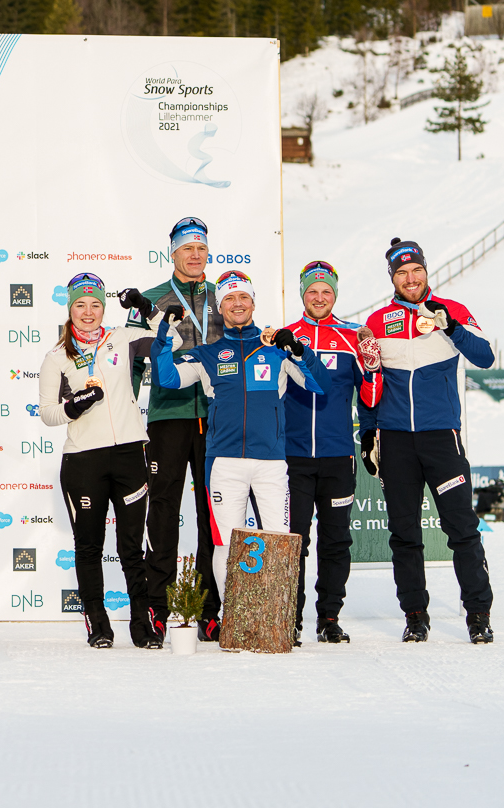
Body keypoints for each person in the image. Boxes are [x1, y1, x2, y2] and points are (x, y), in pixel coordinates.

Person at [150, 270, 330, 603]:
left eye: (243, 297)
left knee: (279, 540)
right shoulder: (208, 353)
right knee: (226, 544)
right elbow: (167, 378)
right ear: (220, 307)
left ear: (253, 303)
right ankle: (230, 616)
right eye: (230, 298)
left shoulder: (276, 349)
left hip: (271, 462)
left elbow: (320, 385)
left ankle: (276, 618)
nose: (237, 304)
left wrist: (299, 351)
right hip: (224, 463)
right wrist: (165, 331)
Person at [362, 238, 495, 644]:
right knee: (404, 533)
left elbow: (485, 356)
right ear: (393, 278)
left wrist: (450, 327)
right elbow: (371, 380)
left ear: (425, 271)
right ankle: (415, 615)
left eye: (416, 270)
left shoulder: (451, 310)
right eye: (402, 273)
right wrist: (369, 433)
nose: (410, 278)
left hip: (442, 437)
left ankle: (478, 614)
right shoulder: (377, 321)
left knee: (461, 528)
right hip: (397, 440)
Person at [38, 274, 162, 649]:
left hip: (128, 454)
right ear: (70, 310)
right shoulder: (56, 358)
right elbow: (47, 413)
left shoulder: (122, 340)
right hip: (83, 461)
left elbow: (170, 336)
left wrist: (146, 307)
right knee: (89, 545)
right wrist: (74, 405)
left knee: (131, 547)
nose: (88, 312)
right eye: (80, 305)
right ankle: (98, 622)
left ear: (103, 309)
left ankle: (143, 623)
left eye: (94, 305)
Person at [127, 216, 225, 640]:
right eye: (188, 248)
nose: (196, 255)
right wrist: (129, 412)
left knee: (212, 512)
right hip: (167, 416)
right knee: (163, 511)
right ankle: (160, 606)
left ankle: (209, 608)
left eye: (201, 248)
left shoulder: (225, 297)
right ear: (173, 253)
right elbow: (130, 361)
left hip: (218, 420)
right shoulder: (150, 299)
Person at [283, 261, 383, 645]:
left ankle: (329, 617)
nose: (319, 298)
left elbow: (370, 398)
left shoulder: (351, 337)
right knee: (295, 539)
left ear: (335, 296)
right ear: (302, 295)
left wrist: (372, 369)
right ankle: (290, 617)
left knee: (336, 539)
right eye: (312, 291)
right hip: (293, 458)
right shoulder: (287, 336)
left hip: (338, 456)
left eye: (326, 292)